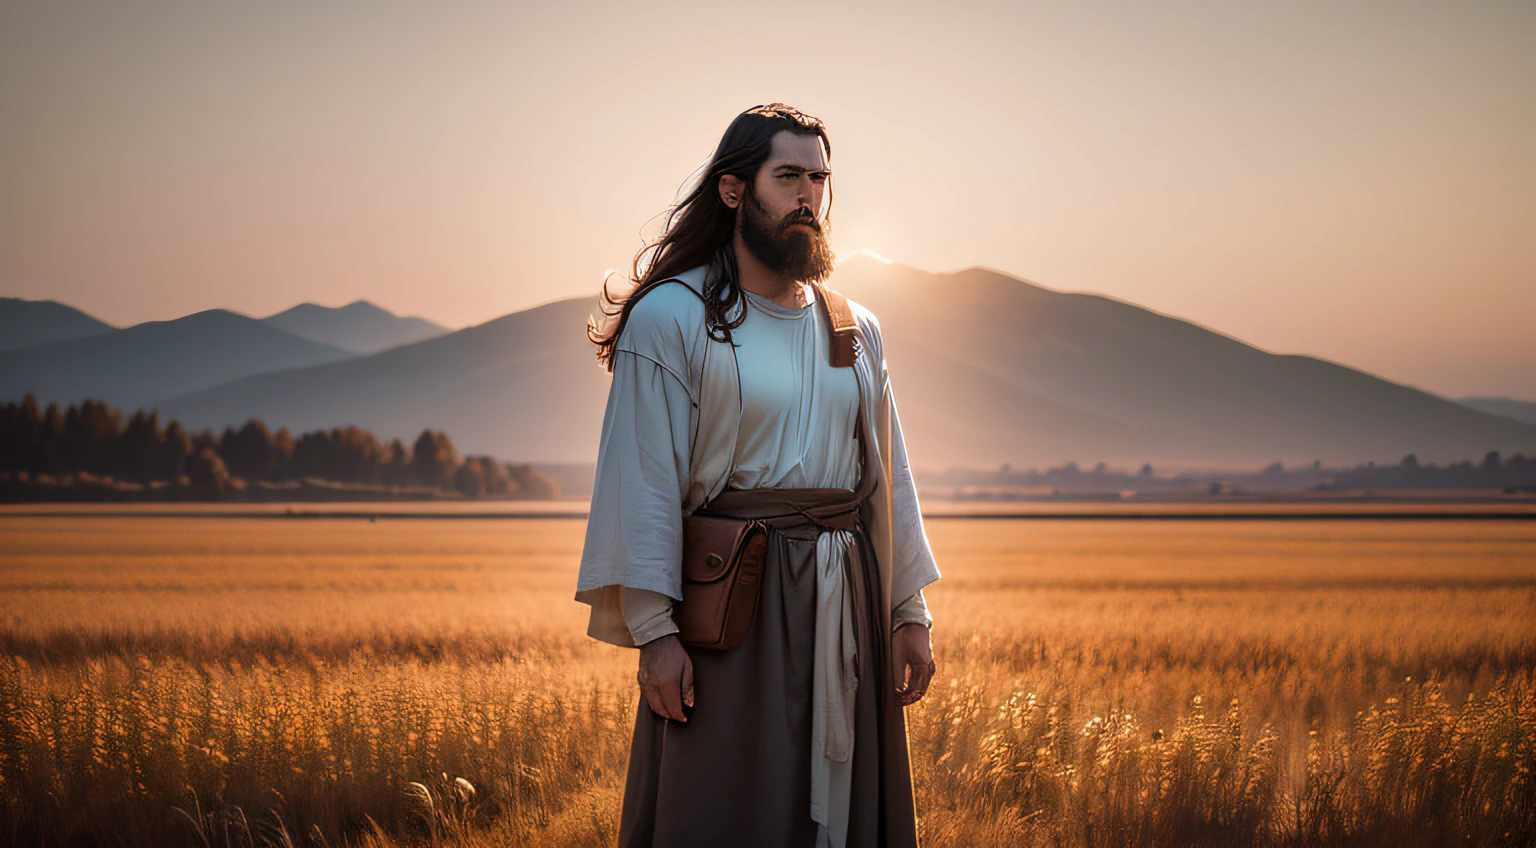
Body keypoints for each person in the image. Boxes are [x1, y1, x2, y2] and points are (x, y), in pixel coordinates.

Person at [576, 103, 941, 848]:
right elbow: (644, 482)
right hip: (733, 609)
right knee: (725, 808)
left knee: (843, 818)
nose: (809, 196)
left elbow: (888, 478)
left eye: (820, 178)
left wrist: (909, 612)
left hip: (847, 599)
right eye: (788, 177)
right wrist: (655, 633)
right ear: (736, 190)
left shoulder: (854, 327)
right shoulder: (672, 318)